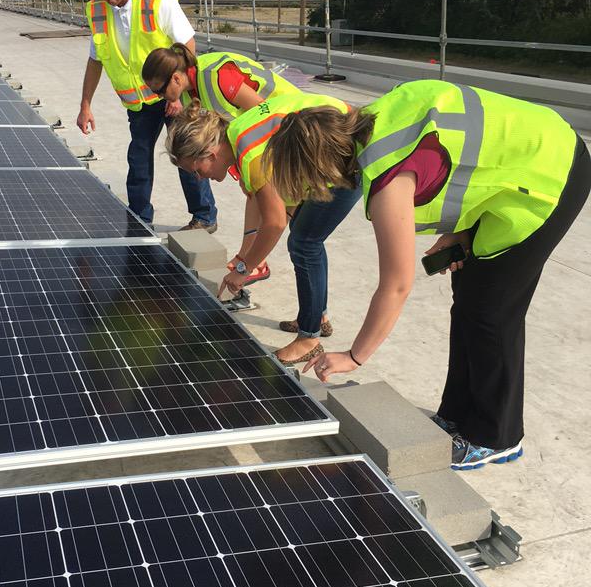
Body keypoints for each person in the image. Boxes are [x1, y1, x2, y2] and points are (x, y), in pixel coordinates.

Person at [263, 79, 590, 470]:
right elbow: (468, 157)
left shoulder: (387, 177)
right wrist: (458, 231)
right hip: (526, 158)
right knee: (468, 298)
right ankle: (456, 415)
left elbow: (396, 286)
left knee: (491, 311)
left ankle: (496, 437)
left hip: (552, 172)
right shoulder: (379, 119)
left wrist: (354, 356)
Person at [165, 95, 362, 366]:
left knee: (304, 242)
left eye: (196, 170)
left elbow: (274, 223)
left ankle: (309, 339)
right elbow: (277, 201)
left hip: (349, 151)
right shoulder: (237, 134)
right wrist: (246, 258)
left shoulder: (251, 156)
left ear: (210, 154)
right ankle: (317, 317)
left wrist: (244, 269)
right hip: (334, 142)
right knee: (305, 234)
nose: (199, 178)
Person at [76, 0, 217, 232]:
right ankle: (140, 217)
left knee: (188, 154)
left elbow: (187, 46)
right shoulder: (99, 10)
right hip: (139, 103)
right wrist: (85, 104)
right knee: (138, 158)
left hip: (173, 96)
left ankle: (204, 216)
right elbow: (95, 60)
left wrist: (178, 95)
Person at [143, 43, 301, 285]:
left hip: (290, 124)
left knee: (284, 217)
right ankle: (249, 258)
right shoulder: (188, 93)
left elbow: (265, 114)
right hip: (260, 137)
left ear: (175, 78)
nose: (158, 97)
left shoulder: (216, 78)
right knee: (254, 191)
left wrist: (258, 161)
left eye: (159, 90)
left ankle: (253, 262)